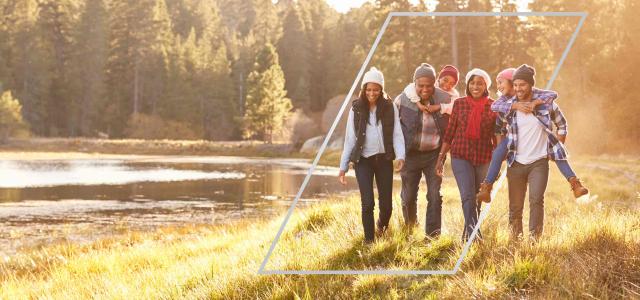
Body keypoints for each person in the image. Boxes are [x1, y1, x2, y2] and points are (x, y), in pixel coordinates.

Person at [476, 68, 589, 203]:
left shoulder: (534, 95)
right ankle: (487, 187)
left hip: (538, 138)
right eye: (498, 83)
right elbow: (495, 108)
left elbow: (552, 94)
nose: (499, 86)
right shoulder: (505, 99)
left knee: (558, 154)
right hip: (512, 138)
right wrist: (515, 106)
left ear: (512, 83)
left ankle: (575, 183)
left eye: (501, 82)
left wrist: (535, 103)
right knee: (497, 153)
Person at [492, 64, 571, 241]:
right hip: (516, 163)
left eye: (523, 85)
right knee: (515, 206)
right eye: (516, 85)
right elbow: (498, 127)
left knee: (536, 200)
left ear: (531, 85)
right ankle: (515, 240)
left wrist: (557, 146)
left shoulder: (545, 105)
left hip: (539, 162)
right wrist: (501, 148)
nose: (519, 88)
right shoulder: (509, 107)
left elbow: (562, 124)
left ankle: (534, 240)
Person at [338, 67, 405, 244]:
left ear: (381, 89)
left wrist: (400, 156)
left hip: (384, 159)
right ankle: (369, 242)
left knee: (387, 207)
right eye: (368, 89)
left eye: (376, 89)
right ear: (363, 89)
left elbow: (397, 133)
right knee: (367, 203)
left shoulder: (390, 107)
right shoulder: (356, 109)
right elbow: (350, 139)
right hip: (363, 161)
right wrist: (343, 166)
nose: (372, 93)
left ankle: (381, 227)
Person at [436, 68, 497, 242]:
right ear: (467, 84)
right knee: (467, 196)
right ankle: (474, 236)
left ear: (486, 86)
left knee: (477, 198)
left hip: (484, 158)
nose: (475, 86)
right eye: (472, 82)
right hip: (461, 156)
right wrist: (441, 158)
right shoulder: (459, 103)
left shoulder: (493, 106)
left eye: (479, 83)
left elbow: (496, 137)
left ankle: (467, 235)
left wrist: (497, 163)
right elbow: (450, 132)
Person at [394, 63, 452, 237]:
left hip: (434, 155)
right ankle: (410, 228)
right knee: (409, 195)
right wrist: (397, 154)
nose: (425, 89)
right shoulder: (402, 100)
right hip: (410, 155)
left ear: (434, 84)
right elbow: (393, 128)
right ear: (415, 84)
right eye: (421, 85)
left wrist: (442, 157)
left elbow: (455, 117)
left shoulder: (445, 99)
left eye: (429, 85)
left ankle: (433, 235)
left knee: (434, 195)